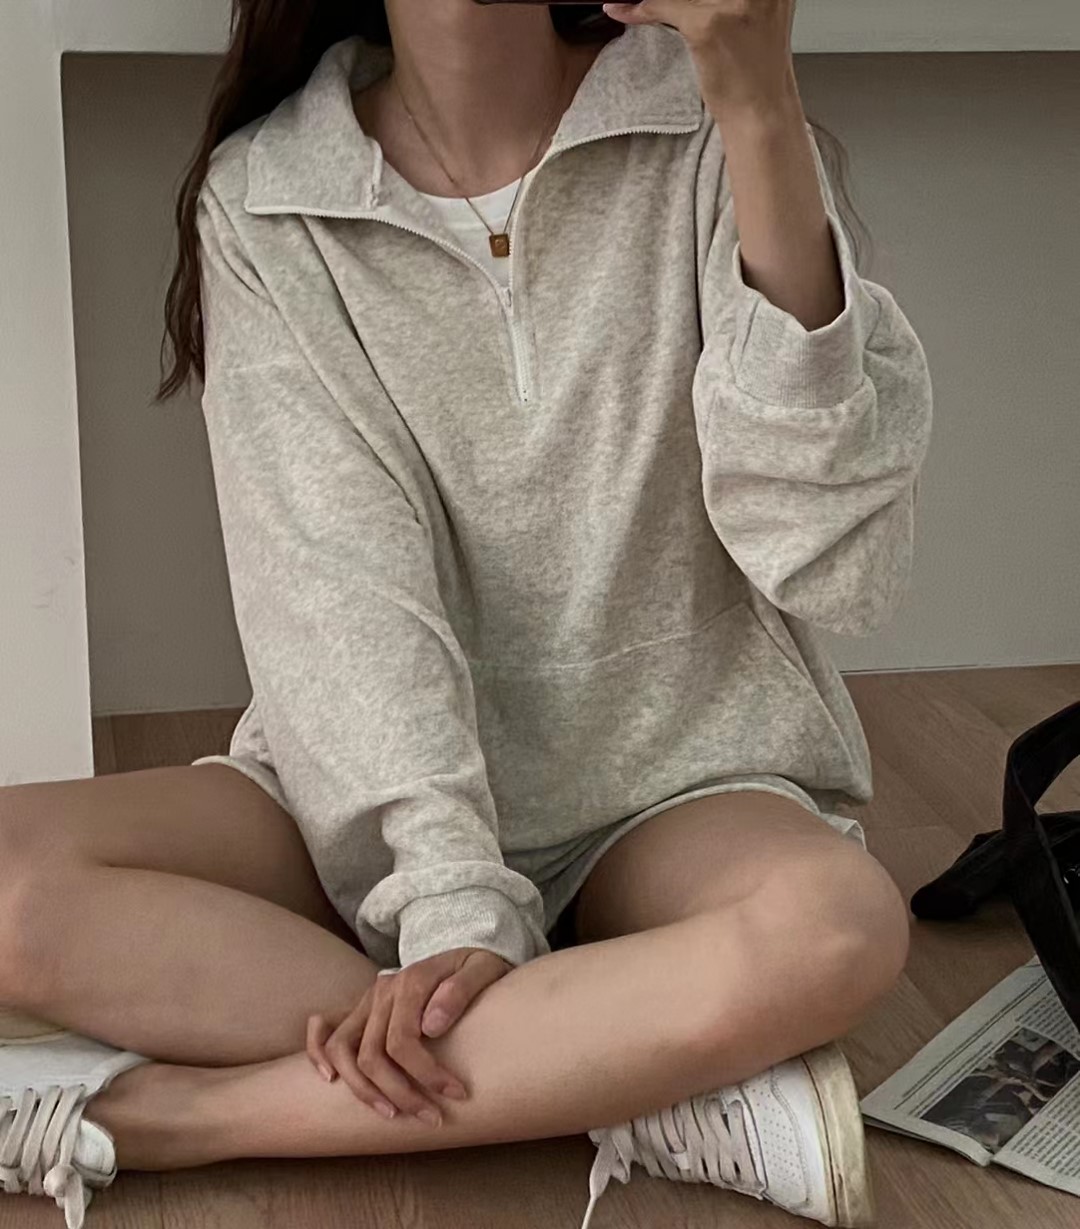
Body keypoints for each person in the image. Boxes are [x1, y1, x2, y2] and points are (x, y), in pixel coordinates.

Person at [0, 2, 932, 1226]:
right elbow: (339, 597)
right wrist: (449, 900)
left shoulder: (703, 122)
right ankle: (623, 1060)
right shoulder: (271, 196)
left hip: (678, 780)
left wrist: (758, 102)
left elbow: (830, 562)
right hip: (370, 801)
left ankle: (176, 1117)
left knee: (838, 922)